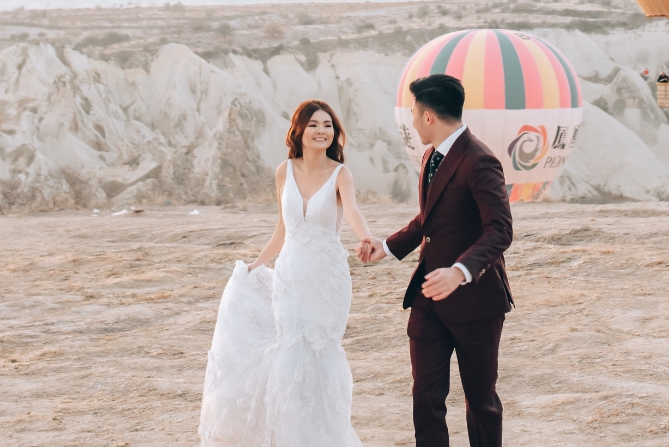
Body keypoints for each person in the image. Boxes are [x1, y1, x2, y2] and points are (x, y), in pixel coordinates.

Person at [198, 100, 374, 447]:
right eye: (313, 125)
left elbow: (351, 210)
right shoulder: (284, 171)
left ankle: (324, 434)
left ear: (335, 133)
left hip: (327, 277)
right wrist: (255, 265)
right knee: (291, 352)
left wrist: (366, 235)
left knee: (320, 351)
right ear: (299, 130)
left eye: (328, 125)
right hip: (291, 275)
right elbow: (283, 229)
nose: (321, 130)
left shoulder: (341, 173)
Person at [360, 73, 514, 447]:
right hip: (428, 298)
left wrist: (460, 272)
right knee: (425, 398)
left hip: (476, 302)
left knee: (480, 402)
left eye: (414, 113)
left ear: (428, 116)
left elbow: (500, 230)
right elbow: (428, 220)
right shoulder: (432, 155)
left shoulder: (480, 160)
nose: (412, 121)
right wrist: (388, 246)